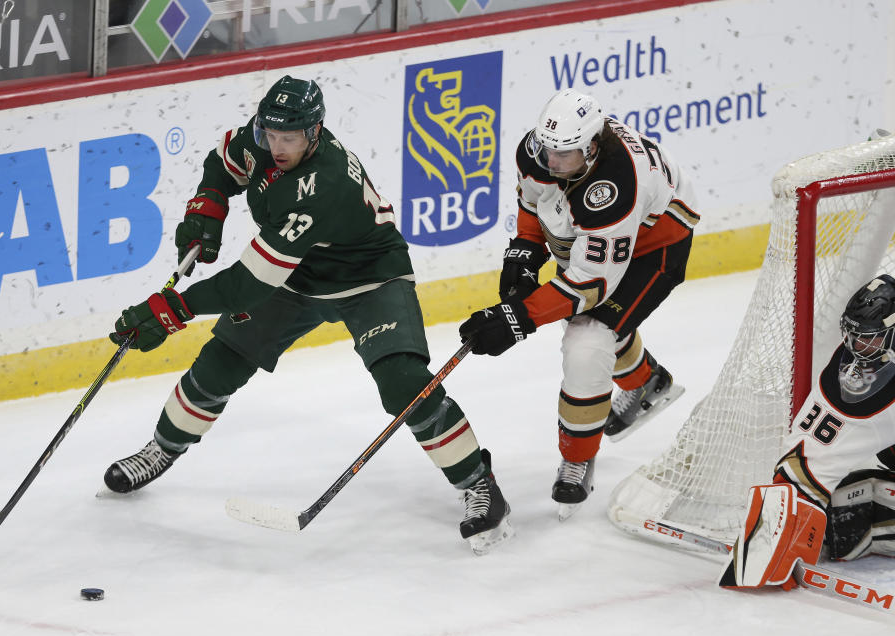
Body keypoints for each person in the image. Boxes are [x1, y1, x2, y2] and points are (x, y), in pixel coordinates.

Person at [101, 75, 513, 554]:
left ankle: (479, 484)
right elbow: (222, 164)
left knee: (403, 381)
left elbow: (250, 284)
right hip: (298, 276)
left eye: (289, 139)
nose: (276, 146)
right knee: (223, 359)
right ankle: (162, 448)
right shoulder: (259, 137)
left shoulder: (322, 183)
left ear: (314, 133)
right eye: (271, 134)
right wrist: (208, 207)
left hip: (369, 278)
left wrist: (176, 308)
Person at [458, 89, 699, 520]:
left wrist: (519, 318)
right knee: (602, 324)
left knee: (589, 339)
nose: (550, 161)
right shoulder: (545, 152)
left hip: (657, 240)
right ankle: (647, 381)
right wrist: (526, 249)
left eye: (563, 154)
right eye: (547, 149)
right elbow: (536, 198)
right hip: (603, 236)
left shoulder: (615, 183)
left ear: (591, 147)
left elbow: (590, 285)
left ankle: (578, 458)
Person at [720, 275, 895, 589]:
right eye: (855, 336)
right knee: (847, 508)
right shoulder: (865, 367)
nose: (858, 346)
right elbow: (806, 456)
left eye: (870, 339)